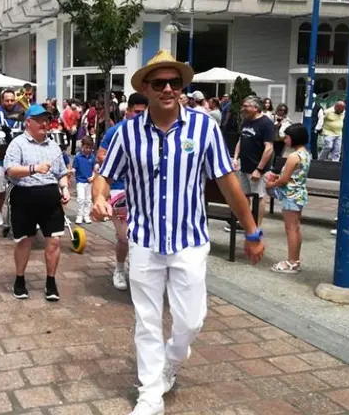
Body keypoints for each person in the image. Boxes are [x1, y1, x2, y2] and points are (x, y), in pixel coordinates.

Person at [92, 50, 264, 415]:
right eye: (160, 83)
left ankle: (171, 361)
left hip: (189, 240)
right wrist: (98, 197)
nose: (168, 89)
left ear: (182, 87)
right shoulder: (126, 133)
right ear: (146, 89)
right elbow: (104, 175)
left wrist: (252, 230)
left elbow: (228, 182)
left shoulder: (204, 128)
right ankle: (150, 392)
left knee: (190, 320)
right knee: (147, 320)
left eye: (175, 82)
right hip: (144, 240)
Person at [4, 104, 71, 301]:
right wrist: (33, 168)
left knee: (55, 240)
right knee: (25, 241)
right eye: (40, 120)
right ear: (28, 122)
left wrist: (65, 187)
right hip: (24, 195)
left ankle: (51, 282)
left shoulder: (53, 145)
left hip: (50, 197)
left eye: (46, 120)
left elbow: (61, 173)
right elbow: (10, 170)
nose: (44, 123)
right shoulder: (17, 144)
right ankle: (19, 279)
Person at [97, 92, 149, 291]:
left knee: (143, 237)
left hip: (143, 192)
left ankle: (140, 272)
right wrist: (121, 162)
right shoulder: (116, 131)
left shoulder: (151, 131)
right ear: (127, 111)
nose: (140, 116)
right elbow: (101, 155)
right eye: (136, 112)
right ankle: (119, 269)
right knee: (125, 236)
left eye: (143, 112)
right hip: (119, 188)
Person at [265, 124, 311, 273]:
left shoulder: (293, 156)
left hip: (290, 195)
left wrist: (271, 183)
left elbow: (284, 179)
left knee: (290, 229)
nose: (285, 140)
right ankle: (295, 260)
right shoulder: (306, 154)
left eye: (287, 137)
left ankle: (291, 261)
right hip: (299, 193)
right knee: (296, 228)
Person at [231, 96, 275, 229]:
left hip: (258, 169)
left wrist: (259, 169)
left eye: (246, 106)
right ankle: (245, 222)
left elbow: (269, 148)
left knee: (259, 197)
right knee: (244, 196)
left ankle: (257, 225)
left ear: (255, 108)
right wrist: (235, 157)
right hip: (244, 166)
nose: (243, 109)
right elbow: (241, 140)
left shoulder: (266, 123)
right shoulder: (246, 121)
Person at [0, 89, 23, 227]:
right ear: (2, 100)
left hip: (18, 156)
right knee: (1, 188)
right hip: (0, 155)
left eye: (12, 100)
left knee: (21, 187)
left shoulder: (22, 111)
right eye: (7, 100)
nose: (9, 103)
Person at [72, 136, 97, 224]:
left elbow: (94, 169)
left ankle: (86, 215)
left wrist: (93, 176)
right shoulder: (78, 157)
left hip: (89, 182)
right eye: (86, 147)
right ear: (82, 146)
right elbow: (74, 168)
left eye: (90, 148)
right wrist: (71, 172)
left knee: (88, 199)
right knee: (81, 199)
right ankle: (79, 215)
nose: (88, 150)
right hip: (80, 182)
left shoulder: (92, 157)